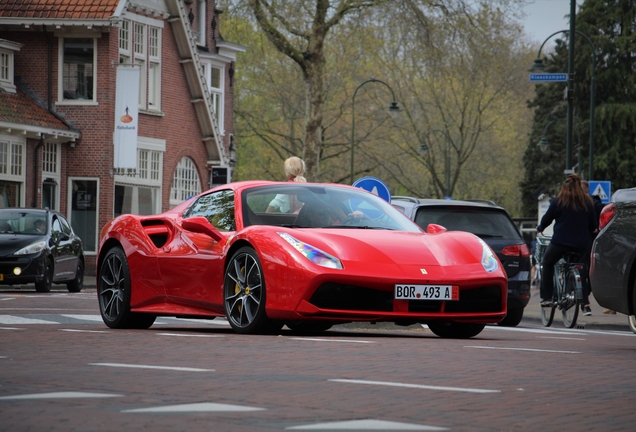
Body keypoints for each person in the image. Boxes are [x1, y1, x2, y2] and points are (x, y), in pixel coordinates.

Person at [536, 174, 597, 315]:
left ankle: (546, 297)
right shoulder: (587, 202)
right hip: (581, 244)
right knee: (582, 270)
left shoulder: (559, 200)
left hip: (560, 243)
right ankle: (585, 304)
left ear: (564, 187)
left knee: (548, 262)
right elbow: (593, 226)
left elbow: (547, 218)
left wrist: (541, 227)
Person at [582, 180, 615, 314]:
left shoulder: (584, 205)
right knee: (595, 271)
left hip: (587, 242)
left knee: (585, 271)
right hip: (598, 242)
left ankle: (584, 302)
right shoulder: (597, 204)